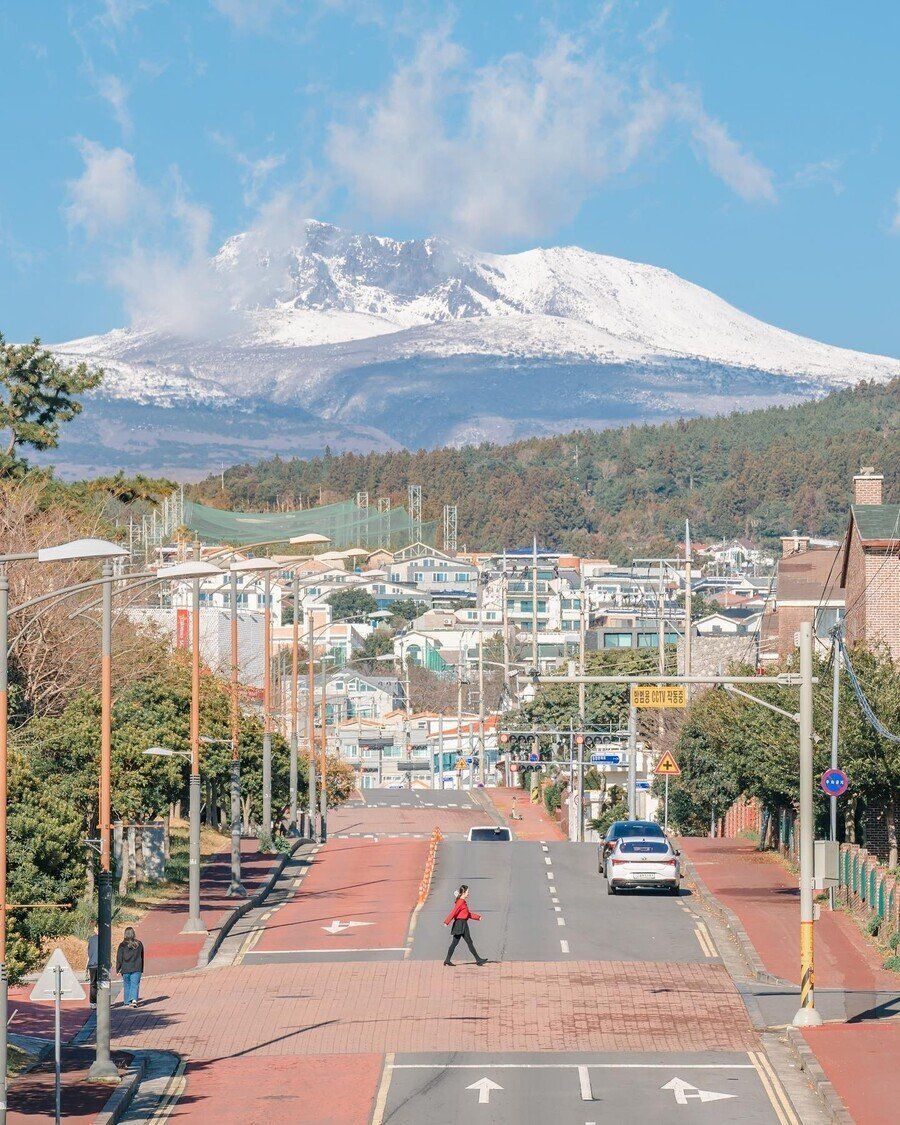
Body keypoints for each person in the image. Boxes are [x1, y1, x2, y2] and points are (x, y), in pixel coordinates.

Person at [443, 884, 486, 967]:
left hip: (461, 924)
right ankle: (478, 960)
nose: (468, 893)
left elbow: (467, 914)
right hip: (460, 924)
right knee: (462, 942)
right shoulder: (461, 902)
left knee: (461, 942)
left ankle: (447, 960)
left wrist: (477, 917)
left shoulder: (462, 901)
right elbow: (454, 911)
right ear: (464, 893)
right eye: (467, 892)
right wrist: (446, 922)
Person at [115, 926, 145, 1007]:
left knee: (127, 984)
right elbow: (142, 956)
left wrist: (118, 969)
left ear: (125, 934)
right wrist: (141, 968)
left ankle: (126, 1001)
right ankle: (134, 1001)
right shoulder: (139, 944)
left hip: (125, 968)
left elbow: (119, 958)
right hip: (137, 967)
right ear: (133, 934)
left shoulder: (122, 945)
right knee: (135, 984)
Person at [86, 932, 98, 1009]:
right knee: (103, 983)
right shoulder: (105, 939)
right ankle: (103, 1001)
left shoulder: (91, 939)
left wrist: (86, 967)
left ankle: (93, 1003)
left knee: (93, 984)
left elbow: (89, 953)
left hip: (92, 964)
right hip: (102, 965)